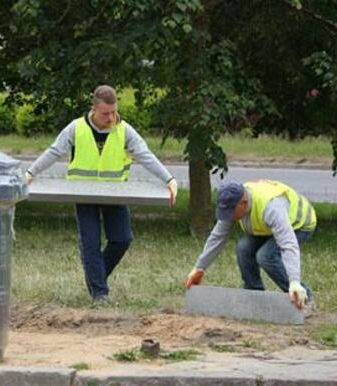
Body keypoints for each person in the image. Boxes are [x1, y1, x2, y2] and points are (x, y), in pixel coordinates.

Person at [25, 85, 178, 302]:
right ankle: (100, 294)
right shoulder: (76, 128)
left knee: (122, 239)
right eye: (106, 113)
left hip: (115, 194)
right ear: (94, 109)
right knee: (91, 243)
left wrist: (169, 179)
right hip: (83, 195)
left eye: (114, 111)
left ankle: (95, 277)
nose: (111, 117)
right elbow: (54, 151)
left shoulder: (124, 130)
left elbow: (146, 155)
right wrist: (30, 173)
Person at [184, 179, 316, 309]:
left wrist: (294, 281)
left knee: (266, 256)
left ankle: (304, 298)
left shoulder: (272, 208)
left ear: (244, 203)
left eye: (231, 212)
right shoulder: (233, 202)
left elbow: (288, 244)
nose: (228, 216)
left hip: (299, 224)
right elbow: (218, 236)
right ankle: (255, 296)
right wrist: (199, 268)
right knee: (243, 248)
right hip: (267, 226)